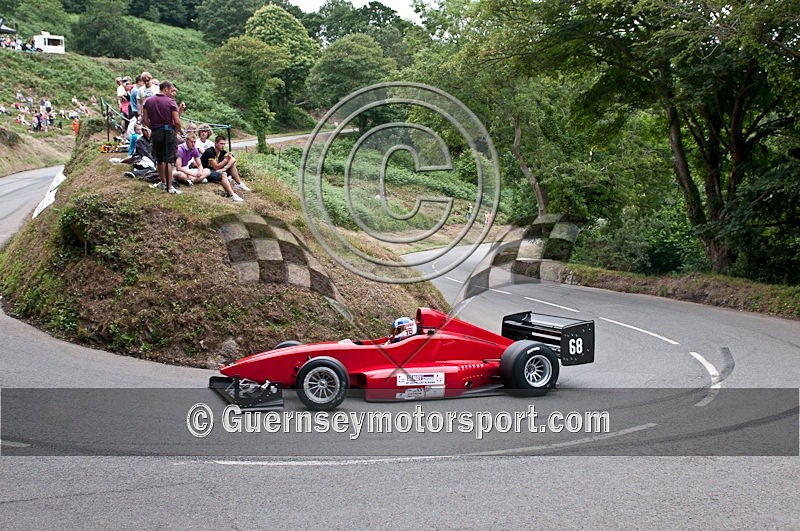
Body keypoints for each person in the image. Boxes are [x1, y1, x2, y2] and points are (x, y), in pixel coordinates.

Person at [142, 80, 183, 194]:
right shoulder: (171, 102)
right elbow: (177, 121)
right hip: (169, 132)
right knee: (169, 160)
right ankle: (169, 187)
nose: (172, 93)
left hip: (156, 132)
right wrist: (180, 130)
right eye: (171, 90)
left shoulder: (148, 101)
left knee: (159, 159)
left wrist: (153, 127)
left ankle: (163, 182)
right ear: (165, 89)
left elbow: (145, 119)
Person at [199, 137, 244, 202]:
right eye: (221, 144)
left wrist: (224, 168)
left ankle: (239, 184)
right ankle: (232, 195)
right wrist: (226, 160)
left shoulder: (221, 151)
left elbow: (233, 159)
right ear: (215, 144)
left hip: (216, 170)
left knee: (232, 164)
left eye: (224, 144)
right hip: (207, 171)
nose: (223, 146)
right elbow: (216, 167)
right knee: (224, 174)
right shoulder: (210, 152)